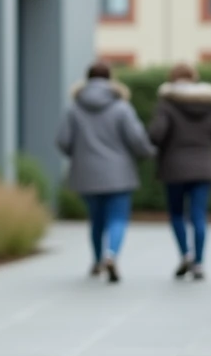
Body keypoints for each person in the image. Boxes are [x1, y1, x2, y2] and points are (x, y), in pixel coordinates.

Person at [56, 61, 156, 283]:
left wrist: (80, 154)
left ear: (87, 78)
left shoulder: (74, 108)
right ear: (111, 79)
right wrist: (149, 153)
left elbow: (63, 141)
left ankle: (97, 260)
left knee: (96, 220)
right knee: (118, 218)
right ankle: (111, 255)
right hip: (119, 173)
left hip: (86, 174)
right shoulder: (121, 107)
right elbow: (137, 139)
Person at [147, 63, 211, 280]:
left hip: (174, 167)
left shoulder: (167, 103)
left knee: (176, 214)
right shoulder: (209, 102)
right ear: (194, 78)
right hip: (203, 166)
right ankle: (200, 262)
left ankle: (185, 254)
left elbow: (156, 134)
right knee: (199, 216)